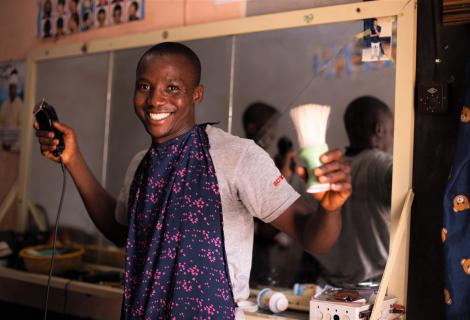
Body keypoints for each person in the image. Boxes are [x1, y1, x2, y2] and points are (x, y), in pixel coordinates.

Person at [34, 42, 351, 319]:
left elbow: (314, 238)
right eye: (145, 86)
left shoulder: (237, 156)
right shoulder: (140, 165)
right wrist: (73, 159)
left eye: (172, 88)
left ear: (197, 94)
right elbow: (122, 233)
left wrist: (330, 208)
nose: (155, 100)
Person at [314, 96, 393, 289]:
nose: (393, 138)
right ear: (379, 129)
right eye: (393, 131)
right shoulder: (382, 164)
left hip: (328, 288)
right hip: (373, 292)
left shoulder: (331, 169)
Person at [0, 70, 22, 151]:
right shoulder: (5, 104)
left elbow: (21, 125)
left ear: (16, 89)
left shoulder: (20, 104)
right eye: (11, 88)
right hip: (3, 141)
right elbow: (1, 122)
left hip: (14, 142)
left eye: (14, 88)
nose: (12, 90)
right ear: (9, 89)